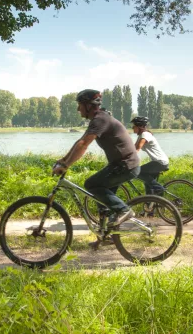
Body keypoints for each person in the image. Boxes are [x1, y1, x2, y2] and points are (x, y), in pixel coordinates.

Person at [52, 89, 140, 248]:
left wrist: (65, 165)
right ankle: (106, 237)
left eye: (79, 105)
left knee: (92, 184)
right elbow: (80, 141)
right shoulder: (97, 119)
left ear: (88, 105)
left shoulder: (100, 119)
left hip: (126, 165)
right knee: (101, 199)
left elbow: (84, 145)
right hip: (121, 165)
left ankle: (124, 210)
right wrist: (63, 160)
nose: (78, 109)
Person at [131, 116, 169, 195]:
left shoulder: (145, 135)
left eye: (134, 126)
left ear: (140, 126)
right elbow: (133, 148)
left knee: (138, 172)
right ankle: (150, 203)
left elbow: (137, 149)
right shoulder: (141, 135)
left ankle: (160, 189)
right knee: (148, 183)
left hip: (159, 162)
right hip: (158, 162)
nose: (132, 128)